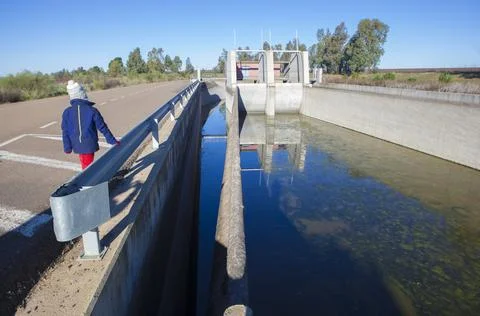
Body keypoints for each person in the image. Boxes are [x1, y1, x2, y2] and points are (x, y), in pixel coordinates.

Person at [62, 80, 119, 170]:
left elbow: (65, 131)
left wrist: (67, 147)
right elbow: (102, 127)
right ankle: (88, 182)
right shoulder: (92, 110)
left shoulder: (67, 112)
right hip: (89, 144)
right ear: (82, 94)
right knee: (87, 169)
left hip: (76, 144)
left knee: (85, 164)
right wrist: (112, 140)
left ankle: (87, 180)